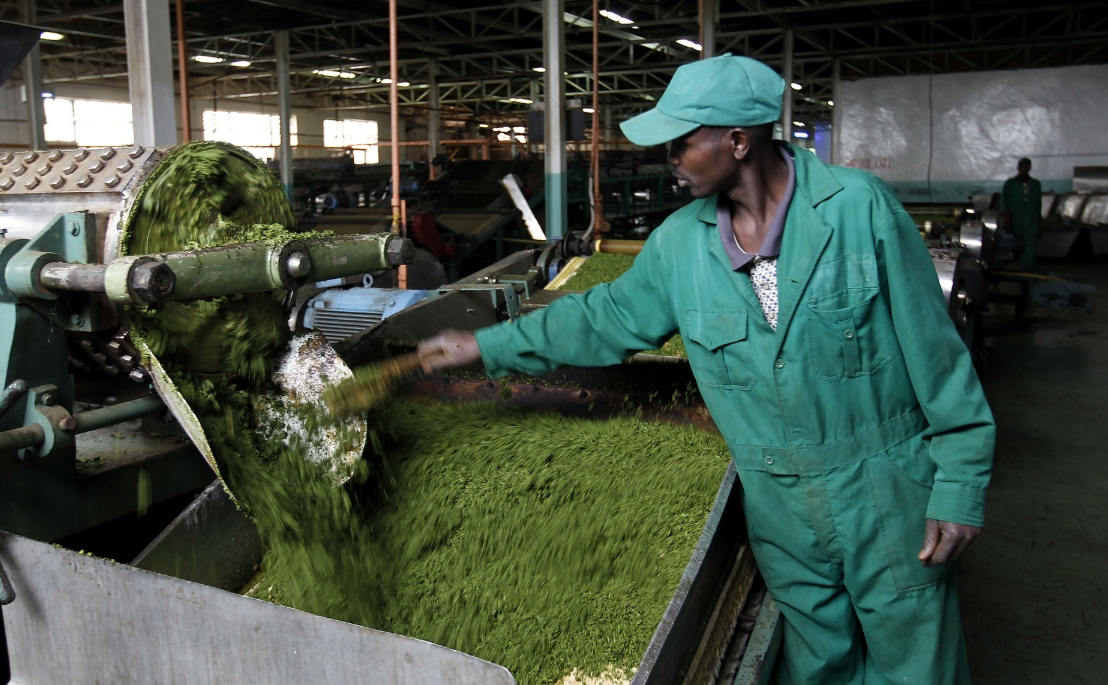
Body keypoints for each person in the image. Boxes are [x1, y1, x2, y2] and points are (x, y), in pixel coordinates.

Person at [418, 54, 995, 685]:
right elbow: (601, 317)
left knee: (918, 666)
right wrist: (487, 347)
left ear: (739, 141)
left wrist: (959, 487)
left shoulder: (858, 210)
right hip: (778, 504)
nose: (668, 160)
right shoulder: (679, 244)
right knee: (816, 664)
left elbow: (940, 360)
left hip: (885, 489)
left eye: (681, 144)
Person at [1001, 157, 1043, 271]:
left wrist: (1039, 222)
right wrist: (1006, 218)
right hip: (1015, 221)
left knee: (1030, 249)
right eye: (1022, 167)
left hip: (1031, 222)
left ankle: (1028, 273)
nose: (1024, 170)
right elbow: (1004, 202)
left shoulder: (1035, 185)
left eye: (1027, 167)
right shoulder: (1010, 184)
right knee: (1008, 245)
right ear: (1018, 168)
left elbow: (1038, 204)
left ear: (1030, 168)